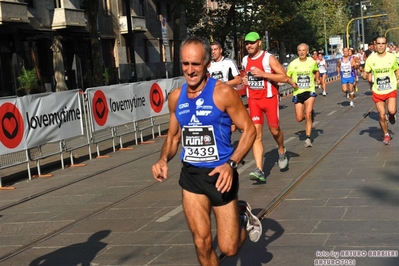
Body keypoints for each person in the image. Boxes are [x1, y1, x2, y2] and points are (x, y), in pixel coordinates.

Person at [151, 36, 262, 265]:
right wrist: (163, 159)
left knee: (229, 248)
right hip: (191, 177)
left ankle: (242, 214)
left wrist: (231, 164)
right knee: (201, 243)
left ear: (207, 64)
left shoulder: (222, 93)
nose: (190, 70)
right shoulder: (175, 98)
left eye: (196, 64)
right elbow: (173, 136)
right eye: (185, 64)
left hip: (221, 176)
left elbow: (249, 130)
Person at [241, 31, 290, 182]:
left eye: (252, 42)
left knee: (274, 130)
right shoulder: (244, 60)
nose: (249, 45)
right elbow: (246, 76)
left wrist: (264, 74)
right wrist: (245, 80)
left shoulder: (268, 58)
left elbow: (284, 77)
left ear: (259, 42)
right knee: (256, 134)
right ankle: (259, 170)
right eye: (247, 43)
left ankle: (281, 149)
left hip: (270, 99)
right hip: (254, 100)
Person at [363, 36, 398, 145]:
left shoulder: (392, 57)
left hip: (390, 89)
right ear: (375, 45)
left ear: (386, 45)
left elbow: (397, 69)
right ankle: (386, 134)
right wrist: (365, 75)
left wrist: (398, 79)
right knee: (382, 114)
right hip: (378, 91)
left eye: (383, 43)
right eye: (378, 43)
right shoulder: (370, 59)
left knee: (391, 110)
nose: (381, 45)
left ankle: (392, 116)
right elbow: (366, 72)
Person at [286, 43, 320, 147]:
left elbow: (316, 71)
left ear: (307, 52)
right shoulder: (293, 64)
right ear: (297, 52)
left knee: (308, 113)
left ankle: (308, 138)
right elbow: (287, 77)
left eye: (304, 50)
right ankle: (309, 116)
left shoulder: (312, 62)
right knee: (300, 118)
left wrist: (317, 79)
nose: (301, 52)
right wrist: (292, 83)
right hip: (298, 93)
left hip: (309, 91)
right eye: (300, 50)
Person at [208, 41, 243, 132]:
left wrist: (222, 84)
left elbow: (238, 80)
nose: (213, 52)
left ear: (220, 50)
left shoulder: (229, 62)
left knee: (234, 127)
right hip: (216, 98)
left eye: (215, 49)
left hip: (229, 96)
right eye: (211, 50)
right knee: (221, 126)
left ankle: (239, 123)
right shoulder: (208, 65)